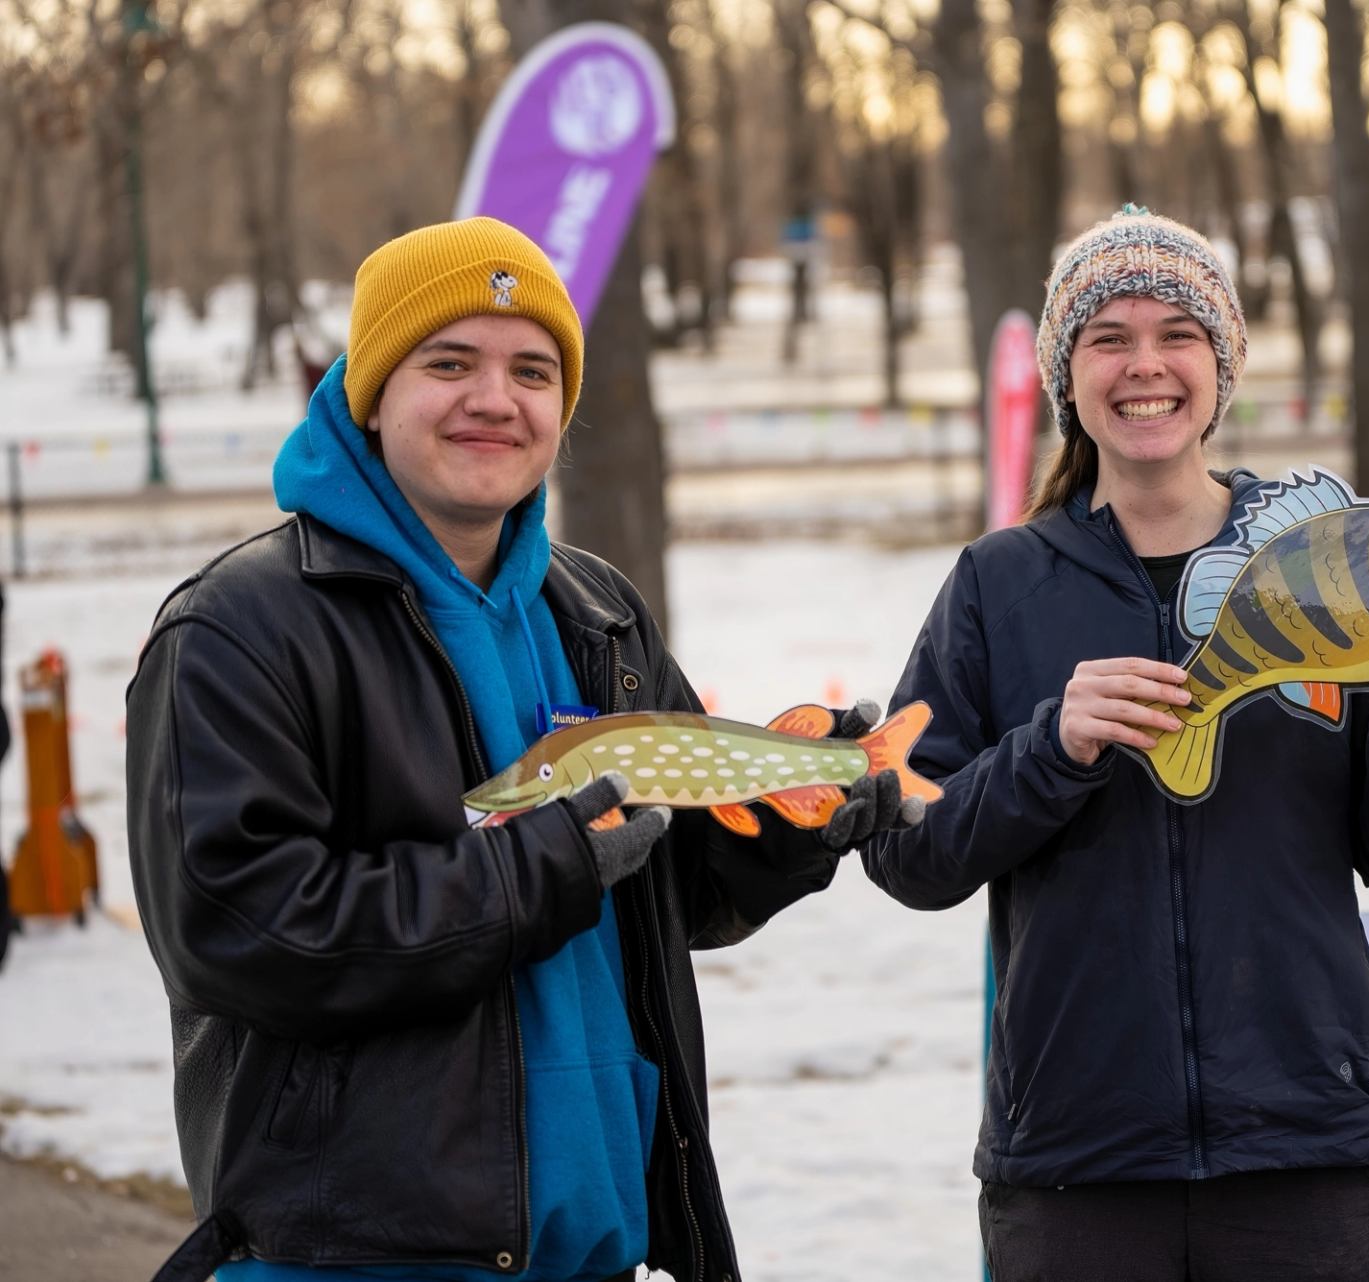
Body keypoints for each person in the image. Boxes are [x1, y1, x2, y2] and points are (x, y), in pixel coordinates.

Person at [126, 217, 913, 1282]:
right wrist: (542, 864)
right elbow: (240, 933)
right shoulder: (241, 627)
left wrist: (780, 833)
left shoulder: (597, 612)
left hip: (594, 1254)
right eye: (449, 362)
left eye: (532, 370)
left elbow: (665, 888)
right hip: (350, 1262)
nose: (494, 400)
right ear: (371, 387)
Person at [862, 209, 1369, 1281]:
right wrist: (1047, 751)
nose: (1143, 364)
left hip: (1309, 1155)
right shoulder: (998, 584)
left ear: (1222, 365)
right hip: (1075, 1165)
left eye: (1178, 333)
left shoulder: (1322, 563)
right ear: (1069, 375)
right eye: (1108, 337)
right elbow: (904, 844)